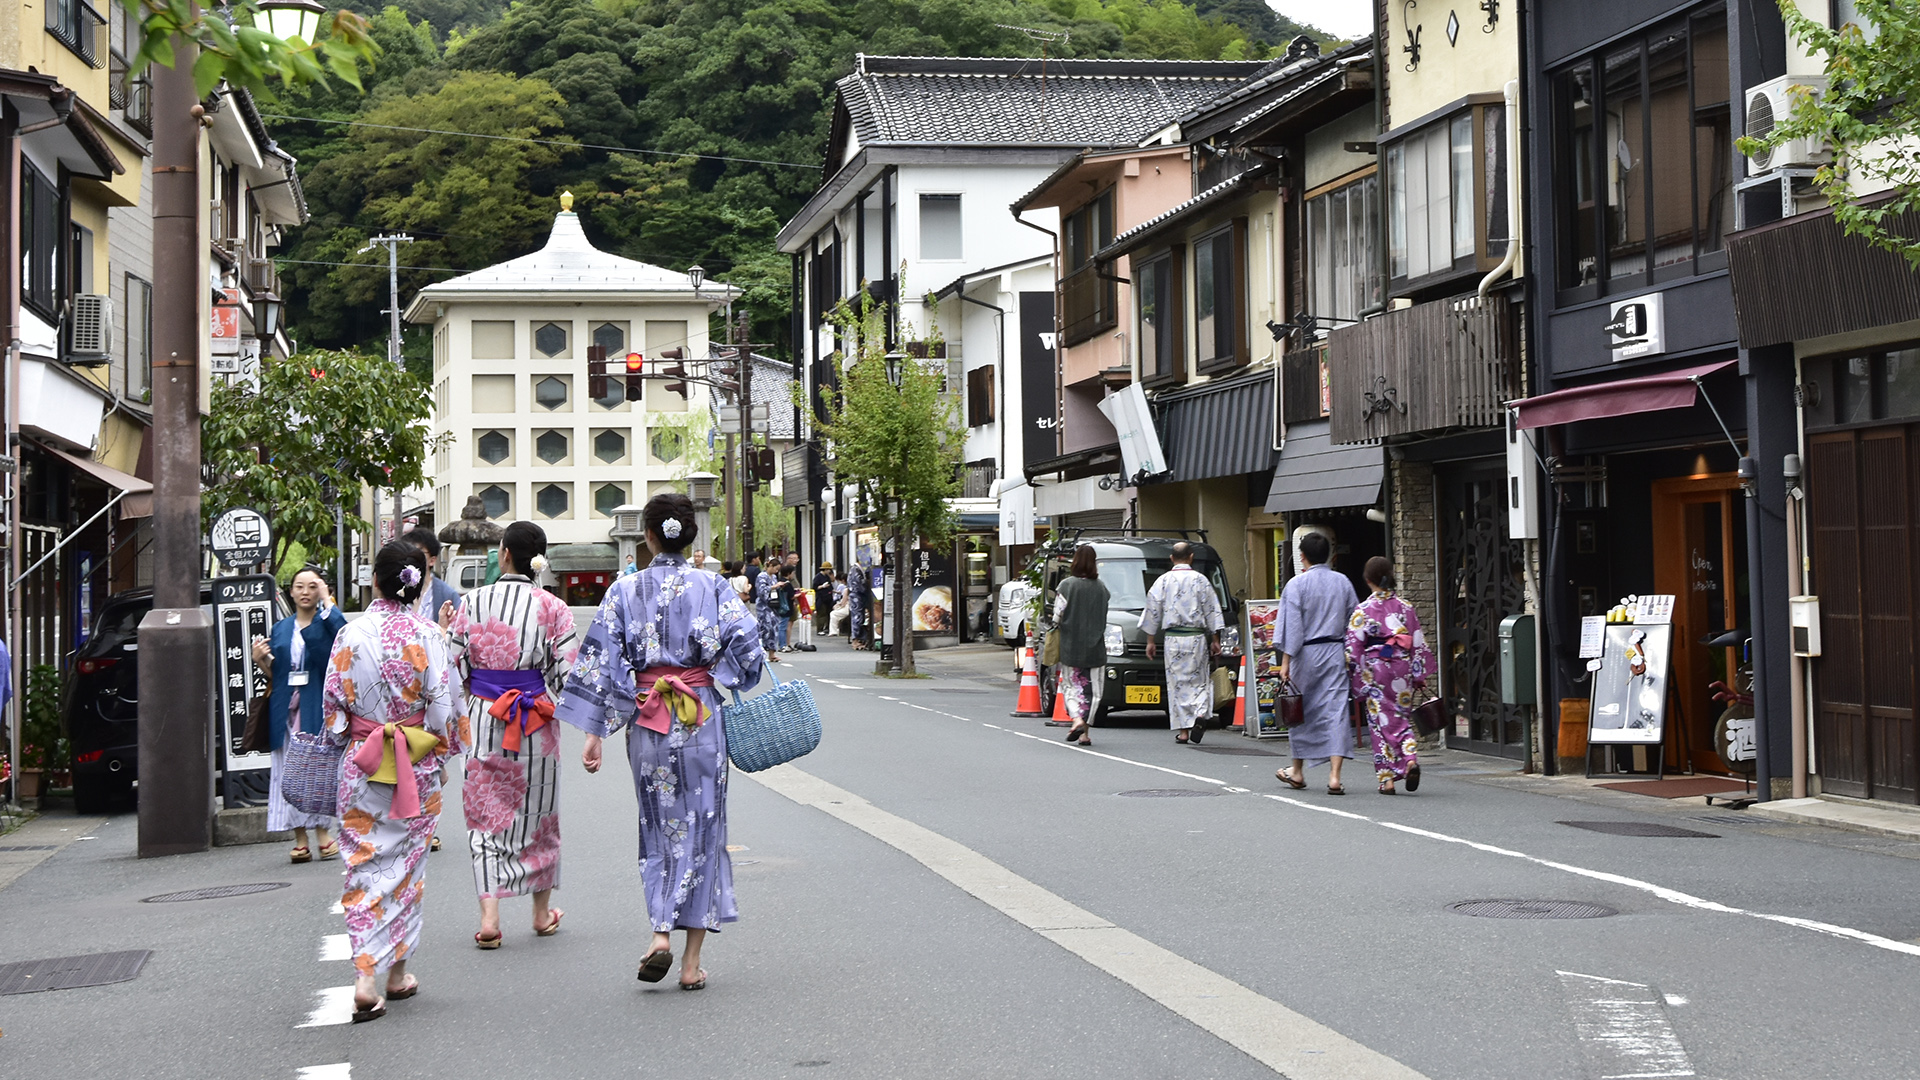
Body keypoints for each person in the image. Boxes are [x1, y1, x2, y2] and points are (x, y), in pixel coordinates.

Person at [555, 493, 766, 992]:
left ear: (647, 537)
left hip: (649, 721)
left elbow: (602, 662)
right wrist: (718, 674)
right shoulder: (713, 585)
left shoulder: (623, 592)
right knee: (705, 829)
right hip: (701, 716)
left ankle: (659, 932)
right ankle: (692, 962)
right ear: (692, 535)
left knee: (659, 827)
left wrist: (593, 733)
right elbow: (749, 646)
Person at [322, 541, 461, 1023]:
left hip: (363, 765)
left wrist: (358, 733)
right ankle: (398, 973)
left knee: (362, 867)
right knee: (407, 869)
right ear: (417, 584)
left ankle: (365, 977)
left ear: (375, 581)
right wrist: (441, 753)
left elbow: (333, 712)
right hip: (416, 767)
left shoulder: (349, 634)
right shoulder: (430, 635)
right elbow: (444, 712)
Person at [448, 521, 579, 946]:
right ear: (539, 560)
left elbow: (454, 667)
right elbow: (567, 676)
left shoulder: (472, 601)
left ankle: (490, 918)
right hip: (536, 721)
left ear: (503, 554)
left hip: (485, 715)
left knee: (485, 817)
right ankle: (541, 914)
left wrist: (477, 692)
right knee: (539, 817)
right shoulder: (554, 608)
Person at [252, 566, 347, 863]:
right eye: (299, 586)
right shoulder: (280, 628)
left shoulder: (328, 622)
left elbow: (345, 638)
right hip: (285, 706)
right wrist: (261, 661)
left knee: (317, 767)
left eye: (312, 586)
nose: (305, 592)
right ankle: (299, 838)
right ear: (290, 591)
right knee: (287, 771)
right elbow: (277, 674)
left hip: (316, 704)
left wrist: (328, 602)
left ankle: (322, 832)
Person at [1275, 532, 1361, 795]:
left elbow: (1292, 628)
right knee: (1335, 710)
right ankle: (1334, 777)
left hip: (1306, 653)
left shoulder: (1296, 585)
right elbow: (1355, 621)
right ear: (1330, 555)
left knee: (1300, 709)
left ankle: (1298, 771)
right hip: (1335, 651)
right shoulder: (1343, 582)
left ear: (1302, 557)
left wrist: (1286, 661)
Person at [1346, 556, 1435, 795]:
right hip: (1402, 666)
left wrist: (1356, 674)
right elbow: (1417, 642)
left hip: (1376, 668)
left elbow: (1354, 648)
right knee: (1401, 717)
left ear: (1367, 580)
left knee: (1378, 723)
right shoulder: (1406, 608)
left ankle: (1388, 779)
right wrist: (1418, 674)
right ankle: (1408, 759)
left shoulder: (1363, 610)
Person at [1141, 542, 1225, 745]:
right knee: (1199, 680)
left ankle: (1184, 732)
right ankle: (1200, 714)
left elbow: (1152, 610)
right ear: (1191, 557)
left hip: (1173, 639)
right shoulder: (1200, 580)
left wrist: (1150, 641)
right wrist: (1215, 639)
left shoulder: (1163, 581)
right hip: (1196, 638)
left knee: (1177, 684)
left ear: (1172, 558)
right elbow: (1212, 610)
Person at [1053, 546, 1111, 748]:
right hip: (1095, 647)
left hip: (1071, 646)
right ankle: (1084, 734)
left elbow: (1057, 616)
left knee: (1070, 686)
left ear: (1075, 561)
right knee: (1093, 691)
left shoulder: (1067, 586)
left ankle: (1077, 719)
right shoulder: (1102, 588)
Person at [401, 526, 461, 626]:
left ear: (432, 560)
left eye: (419, 552)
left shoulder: (447, 595)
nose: (412, 557)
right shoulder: (396, 591)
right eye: (407, 552)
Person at [754, 555, 783, 654]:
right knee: (765, 628)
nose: (776, 571)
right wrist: (774, 587)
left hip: (773, 605)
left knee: (774, 627)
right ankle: (762, 650)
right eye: (775, 568)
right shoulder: (761, 576)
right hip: (764, 606)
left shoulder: (774, 577)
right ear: (770, 566)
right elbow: (761, 591)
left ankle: (772, 652)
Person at [846, 561, 871, 650]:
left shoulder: (854, 569)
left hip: (856, 597)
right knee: (857, 618)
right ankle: (855, 641)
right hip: (857, 597)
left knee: (859, 618)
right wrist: (866, 583)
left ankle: (858, 640)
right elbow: (860, 586)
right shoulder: (856, 570)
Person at [812, 561, 835, 637]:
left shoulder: (827, 577)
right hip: (821, 597)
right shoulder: (818, 577)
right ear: (825, 569)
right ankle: (820, 629)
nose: (829, 571)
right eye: (829, 569)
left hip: (828, 597)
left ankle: (827, 628)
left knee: (828, 613)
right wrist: (822, 586)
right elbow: (814, 587)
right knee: (822, 613)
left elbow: (830, 586)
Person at [827, 573, 852, 638]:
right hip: (852, 607)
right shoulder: (852, 588)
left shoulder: (846, 590)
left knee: (833, 613)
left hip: (847, 607)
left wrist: (837, 606)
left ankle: (833, 631)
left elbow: (843, 603)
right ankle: (836, 630)